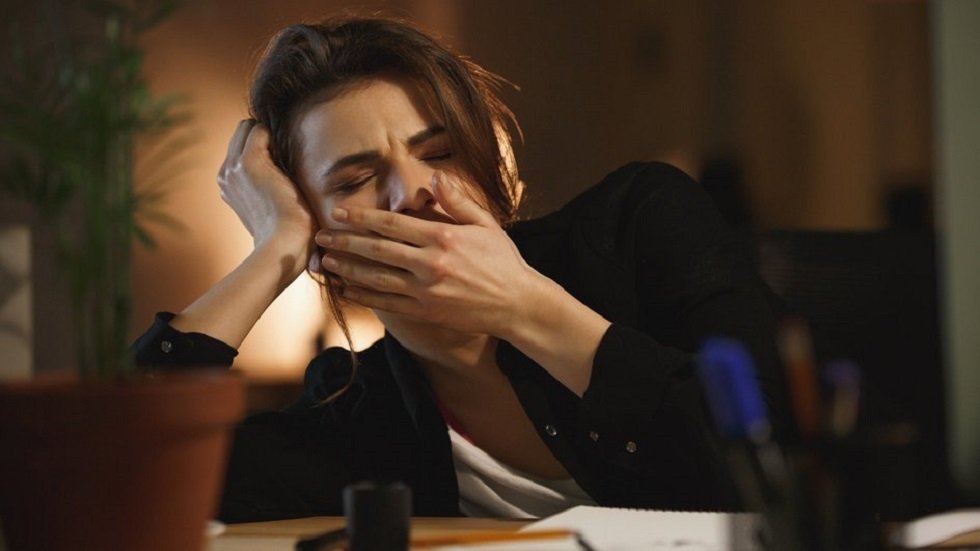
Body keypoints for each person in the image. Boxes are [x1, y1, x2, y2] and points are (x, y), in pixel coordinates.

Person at [133, 16, 787, 522]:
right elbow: (133, 480)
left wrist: (525, 308)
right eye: (355, 180)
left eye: (440, 152)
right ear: (320, 238)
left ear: (489, 166)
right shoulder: (354, 410)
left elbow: (780, 463)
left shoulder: (638, 224)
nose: (413, 191)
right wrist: (274, 250)